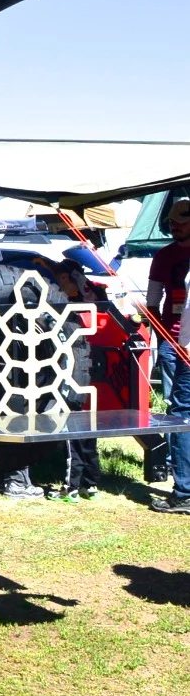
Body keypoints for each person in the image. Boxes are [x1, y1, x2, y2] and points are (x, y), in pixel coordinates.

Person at [146, 198, 190, 513]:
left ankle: (184, 489)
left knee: (181, 413)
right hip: (171, 342)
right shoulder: (164, 256)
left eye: (182, 222)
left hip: (184, 343)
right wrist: (162, 335)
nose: (175, 227)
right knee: (177, 410)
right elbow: (151, 301)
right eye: (172, 222)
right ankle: (178, 469)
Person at [50, 259, 106, 503]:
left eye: (64, 278)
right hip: (76, 376)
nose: (60, 283)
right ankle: (88, 484)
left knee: (78, 436)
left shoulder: (86, 301)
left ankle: (73, 487)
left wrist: (80, 279)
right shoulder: (61, 304)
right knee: (82, 435)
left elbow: (96, 297)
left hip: (81, 378)